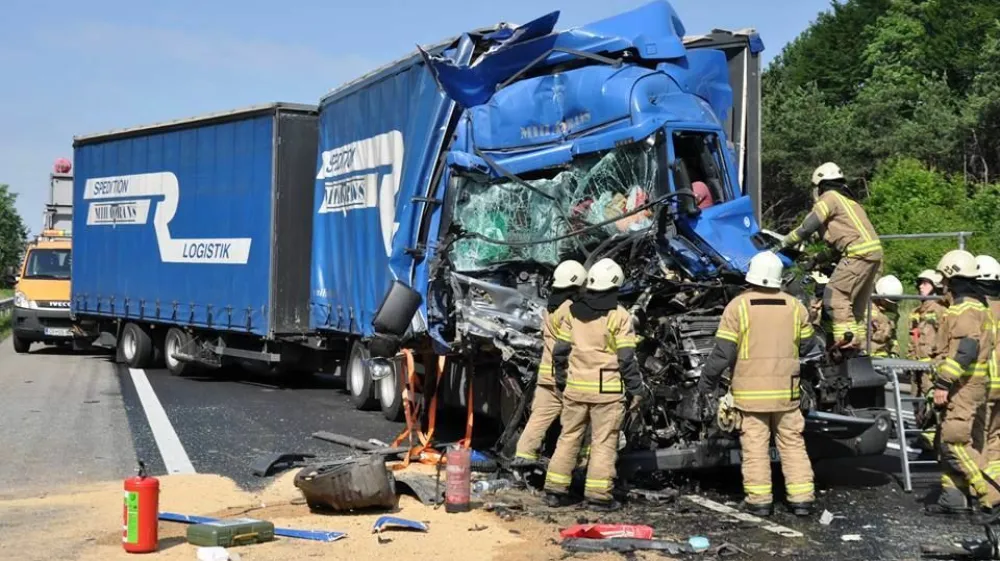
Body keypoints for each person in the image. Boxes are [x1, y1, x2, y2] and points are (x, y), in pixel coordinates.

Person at [694, 251, 820, 517]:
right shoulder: (796, 307)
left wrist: (706, 384)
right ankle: (802, 499)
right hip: (787, 394)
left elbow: (722, 353)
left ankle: (760, 501)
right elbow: (810, 346)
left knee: (755, 448)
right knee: (792, 444)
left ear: (751, 276)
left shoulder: (738, 307)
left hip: (751, 396)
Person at [544, 258, 648, 512]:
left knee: (569, 437)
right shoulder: (620, 316)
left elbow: (560, 351)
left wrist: (560, 380)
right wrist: (636, 389)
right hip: (607, 390)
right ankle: (598, 496)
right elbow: (626, 358)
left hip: (576, 386)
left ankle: (554, 491)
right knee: (603, 442)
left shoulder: (572, 313)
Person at [780, 163, 882, 347]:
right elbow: (840, 245)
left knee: (835, 296)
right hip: (873, 256)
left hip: (857, 255)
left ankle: (846, 346)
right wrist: (816, 259)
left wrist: (785, 242)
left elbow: (808, 226)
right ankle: (856, 346)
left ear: (820, 185)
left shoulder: (828, 198)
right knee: (854, 306)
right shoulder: (850, 202)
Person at [929, 250, 998, 516]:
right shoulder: (980, 307)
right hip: (976, 386)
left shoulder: (965, 309)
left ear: (953, 278)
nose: (942, 287)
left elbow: (966, 349)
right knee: (974, 443)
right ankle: (966, 497)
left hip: (964, 387)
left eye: (945, 281)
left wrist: (943, 383)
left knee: (953, 442)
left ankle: (984, 494)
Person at [512, 260, 588, 468]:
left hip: (547, 376)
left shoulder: (551, 307)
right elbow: (571, 344)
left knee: (540, 417)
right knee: (579, 421)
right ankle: (579, 461)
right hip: (566, 376)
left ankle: (524, 456)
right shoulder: (572, 309)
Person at [908, 269, 947, 450]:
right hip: (915, 365)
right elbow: (912, 338)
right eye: (920, 283)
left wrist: (939, 362)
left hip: (931, 365)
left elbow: (946, 338)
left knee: (931, 402)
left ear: (935, 286)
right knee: (917, 403)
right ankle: (924, 435)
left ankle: (933, 438)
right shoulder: (916, 311)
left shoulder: (941, 310)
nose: (920, 286)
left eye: (925, 283)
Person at [976, 255, 1000, 486]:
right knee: (995, 440)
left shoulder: (977, 310)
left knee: (978, 441)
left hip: (984, 384)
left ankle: (987, 492)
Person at [870, 275, 902, 357]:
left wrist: (895, 352)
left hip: (884, 355)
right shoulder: (866, 307)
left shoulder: (893, 310)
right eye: (887, 300)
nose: (889, 304)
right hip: (866, 355)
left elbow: (893, 334)